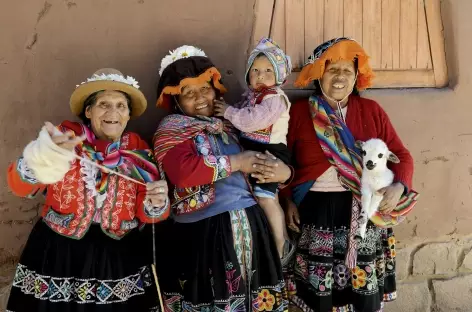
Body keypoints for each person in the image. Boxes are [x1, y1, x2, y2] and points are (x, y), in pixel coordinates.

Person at [6, 68, 169, 312]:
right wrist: (43, 155)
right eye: (104, 104)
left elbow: (148, 214)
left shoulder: (137, 150)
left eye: (121, 106)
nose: (113, 112)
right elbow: (20, 186)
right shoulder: (65, 140)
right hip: (59, 253)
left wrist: (156, 201)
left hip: (118, 256)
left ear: (128, 114)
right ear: (89, 111)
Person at [280, 38, 416, 312]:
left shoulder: (371, 111)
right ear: (320, 75)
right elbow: (283, 160)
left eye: (347, 71)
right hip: (315, 210)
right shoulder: (299, 113)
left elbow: (401, 155)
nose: (340, 77)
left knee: (360, 287)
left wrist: (399, 186)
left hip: (362, 209)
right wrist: (287, 201)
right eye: (333, 70)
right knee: (319, 291)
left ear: (356, 78)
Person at [153, 45, 292, 312]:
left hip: (251, 225)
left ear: (216, 89)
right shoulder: (171, 130)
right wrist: (237, 162)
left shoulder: (234, 123)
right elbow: (183, 173)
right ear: (177, 101)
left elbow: (269, 157)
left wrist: (284, 172)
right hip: (202, 231)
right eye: (188, 93)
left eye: (205, 88)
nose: (200, 97)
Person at [214, 37, 294, 263]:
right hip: (257, 150)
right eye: (255, 70)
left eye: (269, 70)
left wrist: (228, 112)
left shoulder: (274, 99)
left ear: (279, 76)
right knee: (262, 195)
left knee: (266, 197)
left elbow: (251, 121)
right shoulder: (253, 97)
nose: (261, 75)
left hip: (270, 153)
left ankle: (281, 243)